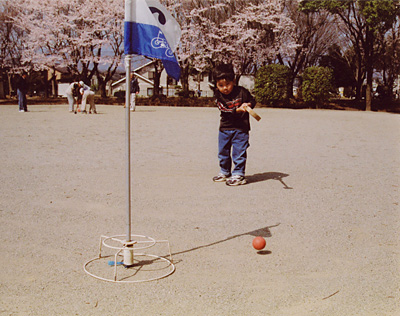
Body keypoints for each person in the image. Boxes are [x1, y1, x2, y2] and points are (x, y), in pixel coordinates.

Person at [212, 63, 256, 186]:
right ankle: (225, 171)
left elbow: (252, 100)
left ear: (234, 81)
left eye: (228, 84)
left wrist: (248, 105)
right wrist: (237, 110)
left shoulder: (242, 92)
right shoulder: (218, 96)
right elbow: (224, 110)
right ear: (216, 84)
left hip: (241, 128)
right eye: (221, 85)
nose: (225, 88)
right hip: (225, 128)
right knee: (223, 152)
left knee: (239, 151)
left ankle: (238, 174)